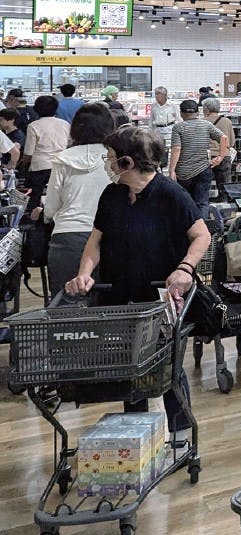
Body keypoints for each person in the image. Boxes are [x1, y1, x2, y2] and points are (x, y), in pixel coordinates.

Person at [65, 126, 210, 442]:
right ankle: (136, 431)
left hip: (160, 296)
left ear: (128, 163)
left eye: (112, 158)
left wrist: (185, 269)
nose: (108, 162)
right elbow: (96, 240)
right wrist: (85, 272)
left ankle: (180, 431)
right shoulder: (112, 194)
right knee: (127, 363)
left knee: (167, 365)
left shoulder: (171, 194)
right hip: (117, 293)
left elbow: (202, 235)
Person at [40, 103, 115, 295]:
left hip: (67, 237)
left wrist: (43, 214)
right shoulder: (115, 158)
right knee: (110, 308)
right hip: (110, 236)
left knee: (67, 306)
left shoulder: (62, 159)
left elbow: (50, 209)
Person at [169, 99, 228, 217]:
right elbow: (223, 137)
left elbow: (176, 149)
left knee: (185, 202)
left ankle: (189, 229)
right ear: (197, 112)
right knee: (202, 203)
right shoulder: (206, 124)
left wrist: (172, 170)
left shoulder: (178, 127)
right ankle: (204, 229)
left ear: (181, 113)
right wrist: (220, 157)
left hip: (184, 172)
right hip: (204, 169)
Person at [21, 95, 70, 210]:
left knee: (35, 195)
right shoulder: (65, 124)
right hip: (61, 163)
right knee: (60, 195)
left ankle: (33, 218)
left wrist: (24, 165)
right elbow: (69, 143)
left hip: (40, 166)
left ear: (36, 109)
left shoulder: (33, 126)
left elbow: (29, 152)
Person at [202, 98, 234, 201]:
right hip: (224, 155)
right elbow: (232, 142)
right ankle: (225, 207)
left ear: (206, 109)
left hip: (207, 156)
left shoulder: (201, 122)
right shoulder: (226, 121)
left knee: (204, 184)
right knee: (224, 185)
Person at [149, 86, 180, 156]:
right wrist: (149, 131)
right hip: (157, 130)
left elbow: (179, 118)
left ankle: (167, 165)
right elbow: (151, 119)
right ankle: (161, 165)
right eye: (155, 94)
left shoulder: (172, 105)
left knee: (168, 149)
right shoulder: (154, 105)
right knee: (157, 148)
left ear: (164, 95)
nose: (156, 96)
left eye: (158, 94)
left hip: (169, 130)